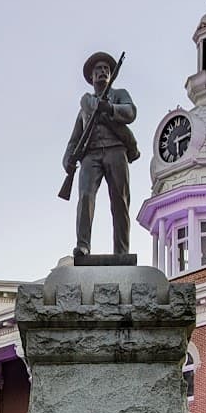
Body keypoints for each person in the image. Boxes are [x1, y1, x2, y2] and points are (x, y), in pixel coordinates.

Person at [63, 50, 139, 260]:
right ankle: (83, 245)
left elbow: (131, 112)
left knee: (120, 202)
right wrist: (67, 160)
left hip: (116, 150)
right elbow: (74, 138)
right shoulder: (85, 107)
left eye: (106, 69)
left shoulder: (119, 94)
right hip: (91, 156)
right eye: (98, 69)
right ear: (91, 77)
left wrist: (110, 108)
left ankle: (121, 251)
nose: (103, 72)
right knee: (85, 198)